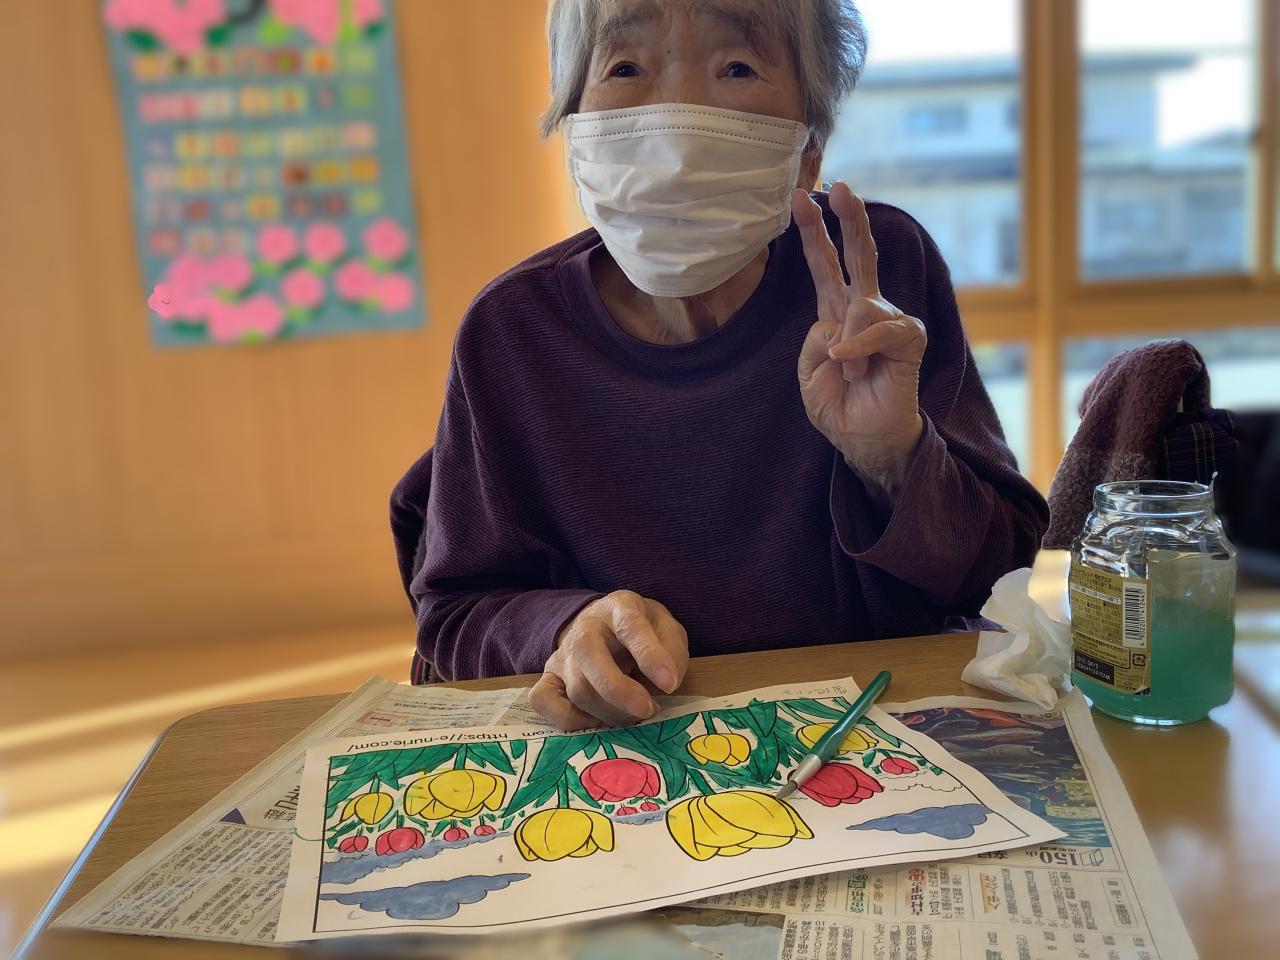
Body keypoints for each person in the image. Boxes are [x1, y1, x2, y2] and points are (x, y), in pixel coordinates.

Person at [391, 0, 1048, 730]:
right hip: (630, 746)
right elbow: (454, 611)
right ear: (576, 130)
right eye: (625, 67)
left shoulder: (878, 282)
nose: (677, 116)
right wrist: (565, 630)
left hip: (869, 736)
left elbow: (997, 572)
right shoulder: (512, 331)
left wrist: (896, 456)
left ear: (809, 145)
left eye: (736, 67)